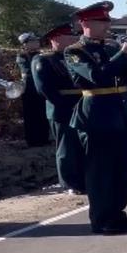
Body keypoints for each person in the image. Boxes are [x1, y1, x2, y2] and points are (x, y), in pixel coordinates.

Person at [62, 1, 127, 234]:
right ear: (85, 23)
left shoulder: (110, 48)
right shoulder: (75, 51)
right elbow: (98, 76)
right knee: (100, 170)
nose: (107, 25)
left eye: (108, 20)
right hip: (95, 113)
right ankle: (101, 219)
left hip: (118, 112)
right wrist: (124, 54)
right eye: (102, 21)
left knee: (120, 168)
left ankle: (117, 213)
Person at [32, 23, 85, 195]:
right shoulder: (43, 59)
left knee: (81, 145)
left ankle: (83, 179)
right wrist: (67, 106)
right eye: (68, 36)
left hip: (81, 105)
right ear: (55, 39)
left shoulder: (73, 56)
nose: (73, 38)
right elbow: (44, 89)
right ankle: (69, 182)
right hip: (62, 108)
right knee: (67, 147)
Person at [16, 33, 51, 147]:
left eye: (36, 41)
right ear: (25, 44)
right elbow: (28, 72)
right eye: (32, 41)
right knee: (31, 115)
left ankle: (44, 138)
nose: (36, 43)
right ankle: (32, 140)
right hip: (29, 88)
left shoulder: (41, 55)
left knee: (42, 113)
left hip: (40, 87)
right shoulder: (22, 56)